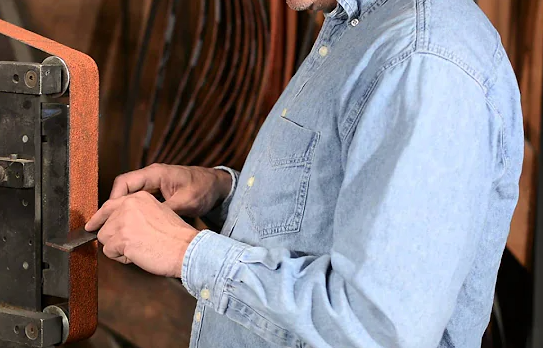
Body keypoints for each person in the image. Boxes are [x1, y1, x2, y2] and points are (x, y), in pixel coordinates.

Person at [85, 0, 524, 346]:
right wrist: (222, 193)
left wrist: (185, 250)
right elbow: (330, 216)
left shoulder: (424, 59)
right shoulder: (355, 28)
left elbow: (379, 331)